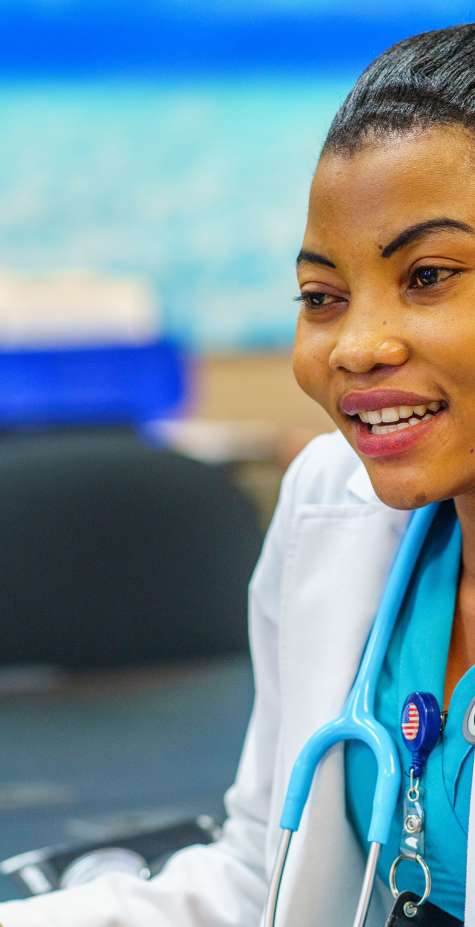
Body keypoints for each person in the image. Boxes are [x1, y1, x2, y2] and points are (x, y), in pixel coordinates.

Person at [2, 21, 475, 927]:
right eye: (321, 297)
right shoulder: (330, 505)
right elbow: (269, 876)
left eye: (426, 275)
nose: (354, 347)